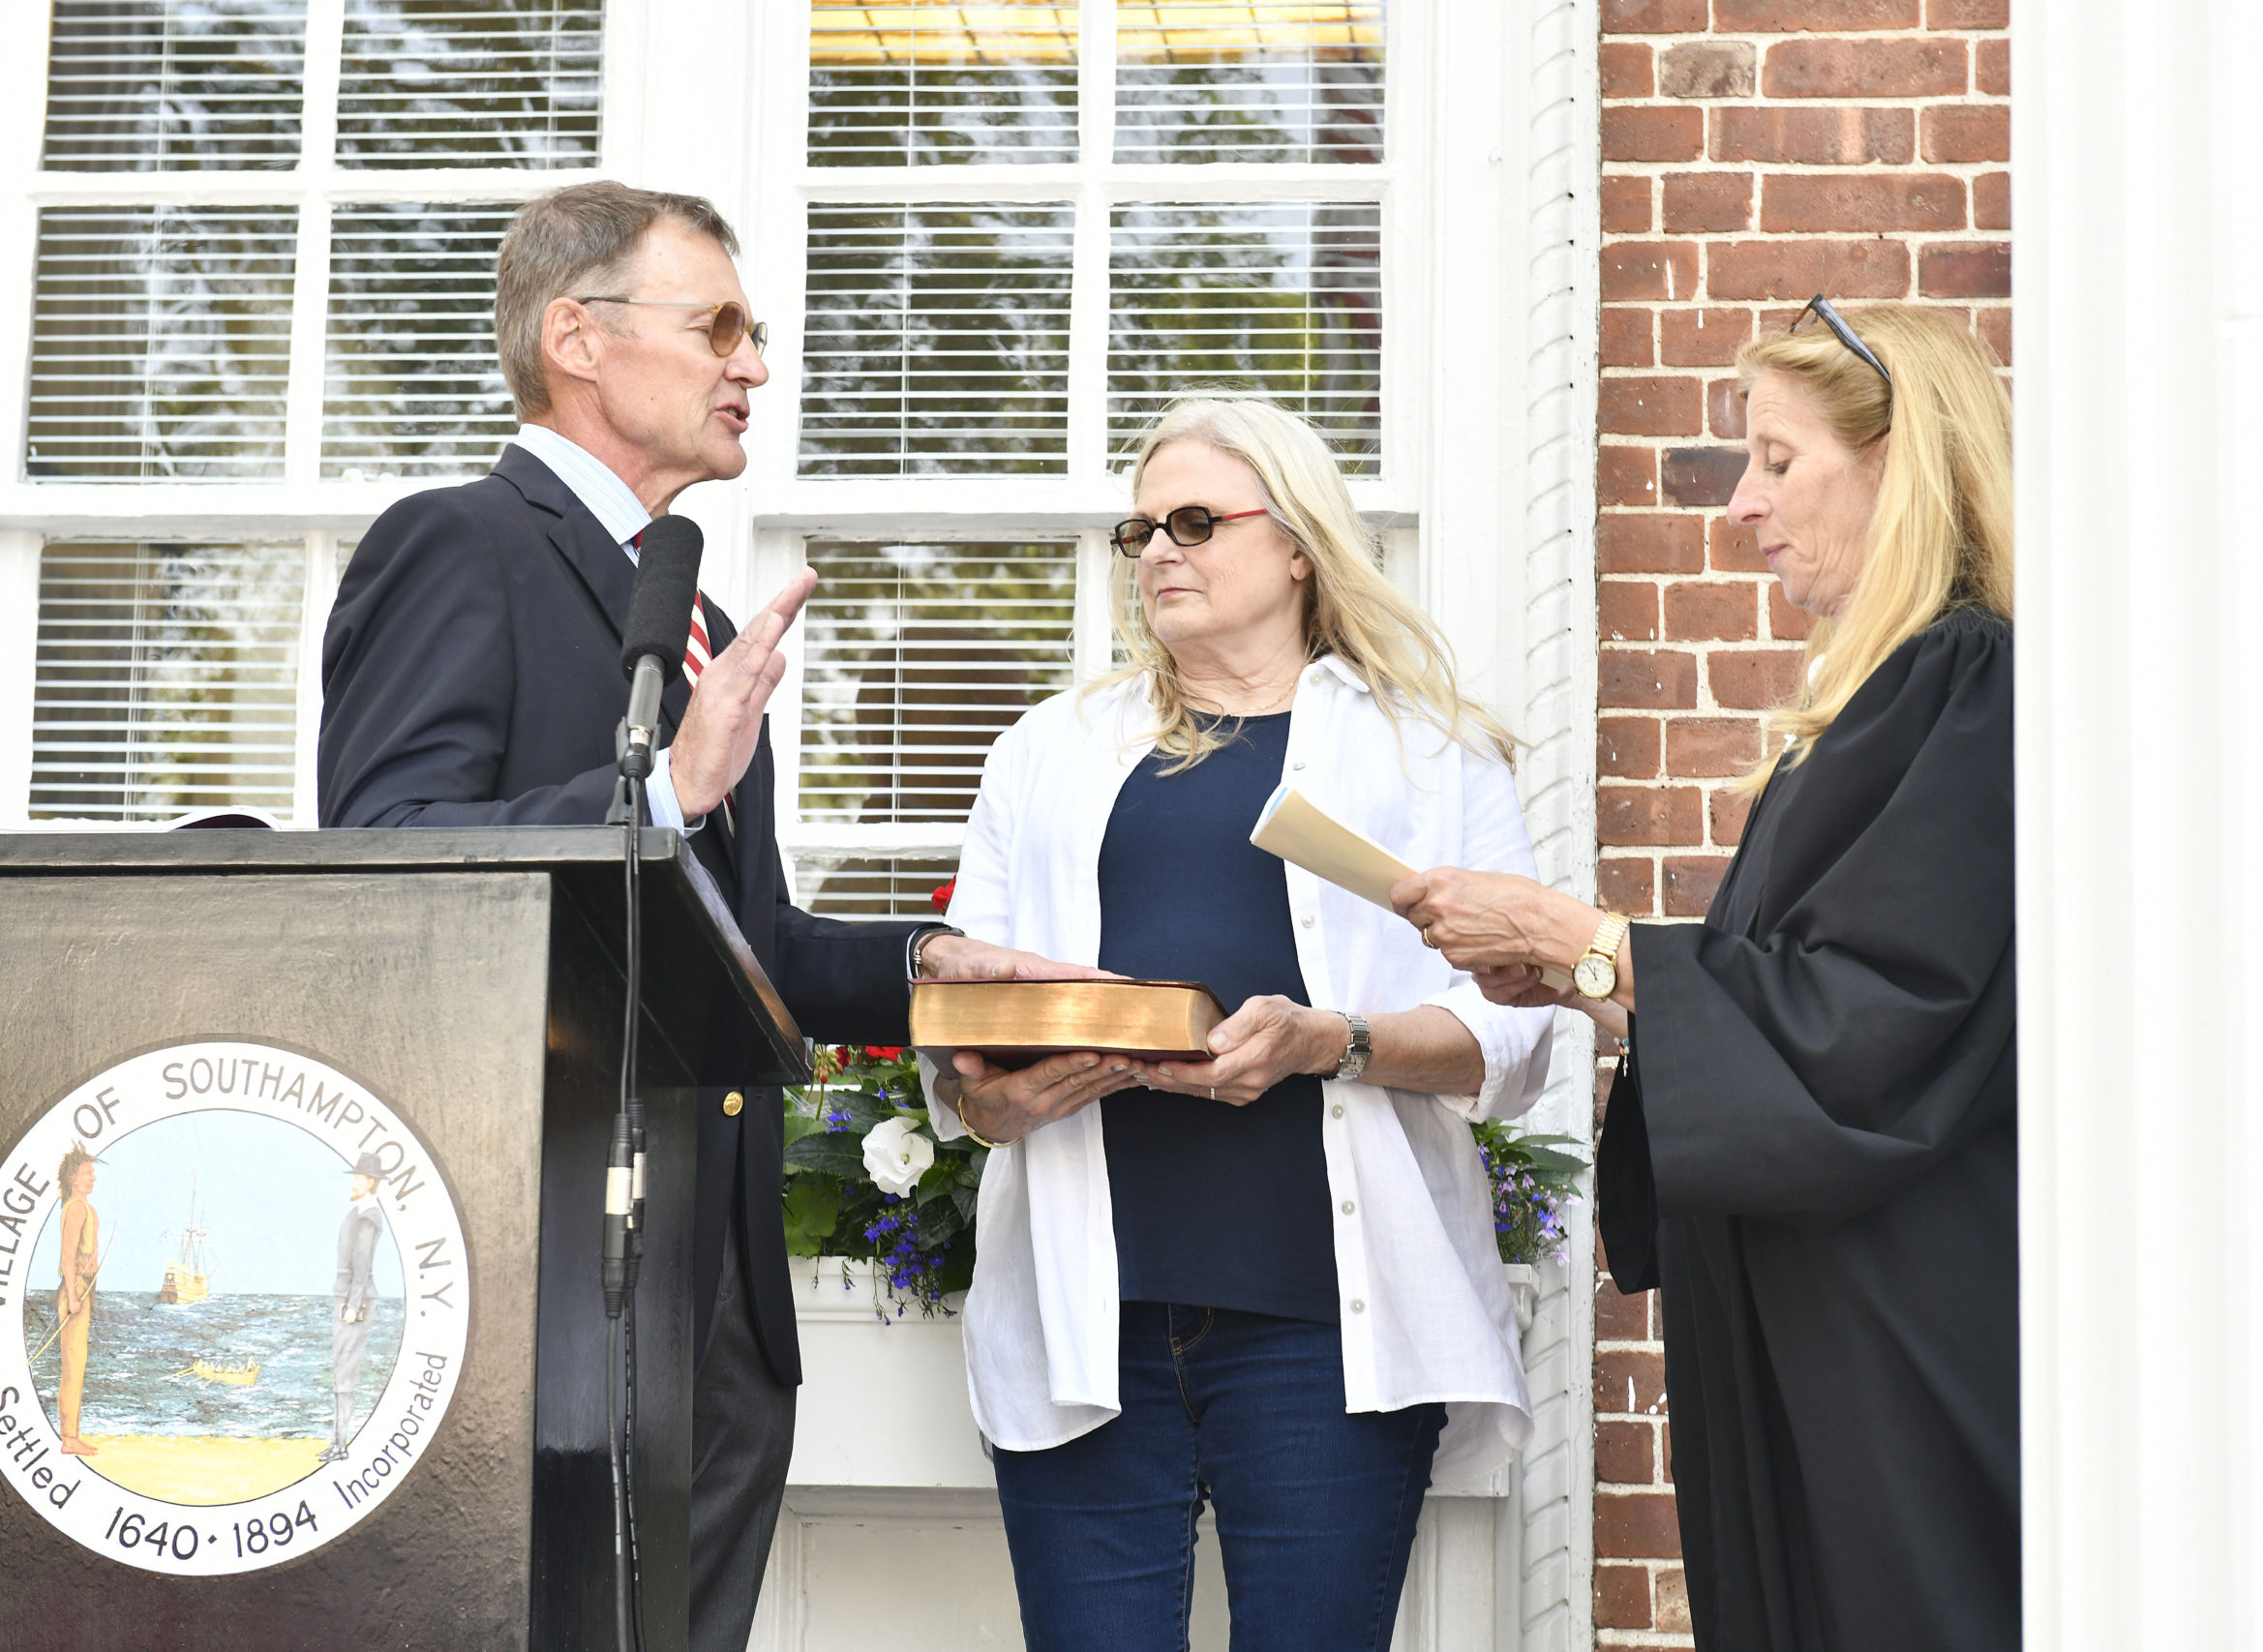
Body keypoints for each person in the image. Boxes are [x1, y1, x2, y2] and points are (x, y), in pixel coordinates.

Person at [316, 181, 1098, 1652]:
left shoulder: (697, 623)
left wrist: (939, 971)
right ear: (579, 340)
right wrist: (665, 789)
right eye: (718, 324)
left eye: (755, 330)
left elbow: (757, 950)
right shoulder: (458, 543)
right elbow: (386, 863)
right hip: (535, 1285)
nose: (755, 362)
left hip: (720, 1305)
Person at [1395, 300, 2019, 1652]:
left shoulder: (1965, 681)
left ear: (1901, 463)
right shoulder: (1878, 700)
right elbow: (1790, 997)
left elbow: (1882, 1014)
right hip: (1815, 1313)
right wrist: (1594, 984)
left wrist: (1599, 941)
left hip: (1897, 1325)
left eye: (1778, 461)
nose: (1743, 504)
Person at [923, 397, 1556, 1651]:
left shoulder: (1430, 755)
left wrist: (1336, 1041)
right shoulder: (1045, 749)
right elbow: (964, 1030)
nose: (1159, 548)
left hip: (1328, 1334)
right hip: (1082, 1328)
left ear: (1301, 544)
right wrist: (989, 1094)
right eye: (1141, 527)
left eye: (1198, 520)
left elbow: (1519, 1037)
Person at [322, 1153, 386, 1464]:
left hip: (353, 1299)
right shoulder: (360, 1212)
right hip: (347, 1296)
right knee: (340, 1371)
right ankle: (337, 1442)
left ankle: (341, 1445)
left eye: (357, 1177)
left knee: (346, 1373)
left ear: (370, 1182)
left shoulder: (367, 1217)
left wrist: (352, 1304)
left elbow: (362, 1266)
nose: (352, 1182)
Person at [52, 1146, 101, 1457]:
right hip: (75, 1291)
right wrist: (72, 1296)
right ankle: (68, 1439)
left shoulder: (86, 1207)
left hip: (85, 1289)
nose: (93, 1177)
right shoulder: (76, 1209)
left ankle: (73, 1434)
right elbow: (67, 1258)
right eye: (87, 1172)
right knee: (72, 1364)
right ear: (73, 1177)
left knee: (79, 1364)